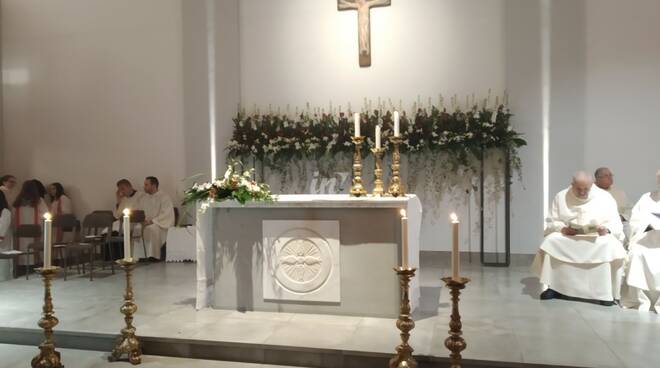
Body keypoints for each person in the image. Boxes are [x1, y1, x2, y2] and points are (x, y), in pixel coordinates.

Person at [531, 171, 625, 305]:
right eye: (578, 189)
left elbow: (615, 222)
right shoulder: (561, 196)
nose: (582, 192)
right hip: (569, 236)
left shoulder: (604, 197)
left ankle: (604, 293)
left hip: (597, 237)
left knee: (609, 246)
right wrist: (563, 228)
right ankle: (555, 287)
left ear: (592, 185)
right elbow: (552, 220)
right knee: (551, 241)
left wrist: (606, 229)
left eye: (586, 189)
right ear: (572, 184)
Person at [621, 170, 660, 311]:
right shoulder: (647, 197)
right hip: (647, 238)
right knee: (637, 254)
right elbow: (634, 220)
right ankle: (639, 300)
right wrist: (646, 225)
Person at [12, 181, 49, 265]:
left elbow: (13, 216)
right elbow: (46, 214)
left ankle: (21, 264)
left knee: (22, 245)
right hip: (34, 229)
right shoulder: (38, 200)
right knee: (34, 245)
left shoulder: (17, 201)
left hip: (20, 230)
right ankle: (34, 263)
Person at [141, 176, 174, 262]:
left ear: (154, 185)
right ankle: (141, 255)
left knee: (152, 229)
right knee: (137, 229)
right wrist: (143, 220)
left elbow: (166, 214)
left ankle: (153, 256)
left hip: (160, 225)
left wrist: (152, 221)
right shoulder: (145, 198)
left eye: (146, 184)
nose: (144, 186)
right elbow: (142, 212)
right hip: (148, 223)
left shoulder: (164, 197)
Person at [0, 191, 13, 281]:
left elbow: (2, 227)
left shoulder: (5, 212)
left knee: (3, 261)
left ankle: (4, 278)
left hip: (3, 241)